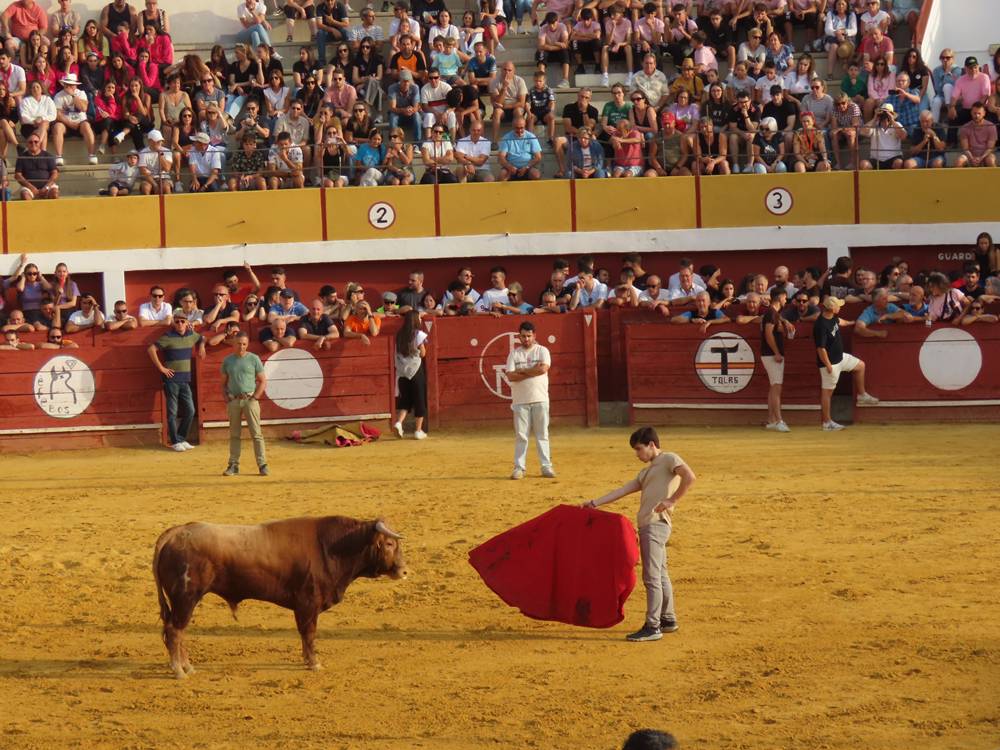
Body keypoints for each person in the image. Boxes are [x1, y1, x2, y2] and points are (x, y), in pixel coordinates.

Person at [581, 426, 696, 642]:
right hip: (650, 526)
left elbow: (689, 476)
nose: (637, 454)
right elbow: (622, 490)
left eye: (639, 449)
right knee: (660, 574)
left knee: (651, 577)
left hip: (654, 525)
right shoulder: (645, 473)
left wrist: (672, 500)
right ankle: (668, 619)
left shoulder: (669, 458)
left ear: (652, 445)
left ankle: (653, 626)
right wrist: (594, 503)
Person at [813, 296, 878, 432]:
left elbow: (840, 322)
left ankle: (861, 394)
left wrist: (851, 323)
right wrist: (828, 364)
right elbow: (820, 348)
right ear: (832, 308)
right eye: (838, 305)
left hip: (840, 357)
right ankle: (826, 422)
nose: (840, 307)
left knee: (860, 366)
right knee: (827, 393)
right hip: (830, 363)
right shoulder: (821, 325)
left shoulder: (832, 317)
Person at [147, 311, 205, 451]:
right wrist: (161, 368)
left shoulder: (191, 335)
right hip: (171, 380)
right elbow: (151, 349)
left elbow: (202, 337)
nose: (180, 324)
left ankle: (181, 438)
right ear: (174, 323)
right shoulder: (168, 336)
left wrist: (202, 346)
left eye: (182, 321)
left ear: (187, 322)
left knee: (190, 410)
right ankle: (174, 441)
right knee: (172, 412)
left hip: (185, 380)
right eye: (177, 321)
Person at [505, 320, 554, 480]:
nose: (526, 339)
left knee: (542, 434)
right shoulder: (514, 354)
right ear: (519, 337)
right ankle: (519, 467)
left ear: (534, 336)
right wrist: (533, 370)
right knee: (521, 436)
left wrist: (522, 370)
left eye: (529, 336)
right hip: (520, 400)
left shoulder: (542, 350)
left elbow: (543, 369)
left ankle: (546, 466)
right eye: (523, 336)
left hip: (540, 398)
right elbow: (510, 375)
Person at [221, 331, 268, 476]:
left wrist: (255, 397)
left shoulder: (254, 359)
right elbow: (223, 383)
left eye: (244, 344)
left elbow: (263, 381)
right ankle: (233, 465)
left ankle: (262, 465)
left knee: (256, 434)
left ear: (247, 345)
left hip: (250, 400)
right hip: (234, 400)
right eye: (238, 344)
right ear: (233, 344)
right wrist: (226, 397)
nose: (241, 347)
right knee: (234, 434)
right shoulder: (227, 361)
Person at [392, 309, 428, 440]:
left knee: (406, 399)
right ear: (415, 320)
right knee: (419, 399)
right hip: (415, 369)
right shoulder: (418, 334)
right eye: (419, 318)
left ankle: (399, 422)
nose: (420, 320)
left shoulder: (399, 334)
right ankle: (418, 430)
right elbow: (423, 353)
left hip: (402, 371)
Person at [761, 287, 790, 432]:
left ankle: (772, 420)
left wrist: (785, 321)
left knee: (774, 387)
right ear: (779, 297)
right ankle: (778, 420)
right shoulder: (772, 314)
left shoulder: (773, 313)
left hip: (770, 354)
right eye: (785, 297)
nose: (786, 300)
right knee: (777, 387)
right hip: (771, 355)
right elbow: (768, 334)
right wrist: (776, 352)